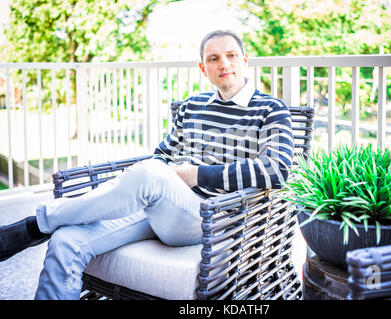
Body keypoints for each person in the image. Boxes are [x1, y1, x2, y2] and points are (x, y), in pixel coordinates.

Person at [0, 30, 294, 299]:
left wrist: (196, 175)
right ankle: (46, 230)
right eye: (213, 58)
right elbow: (162, 155)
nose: (224, 63)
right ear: (203, 68)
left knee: (150, 172)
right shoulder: (192, 106)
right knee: (66, 240)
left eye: (231, 55)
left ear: (245, 60)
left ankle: (34, 226)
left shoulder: (270, 109)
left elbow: (278, 169)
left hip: (212, 218)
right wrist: (153, 176)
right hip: (161, 206)